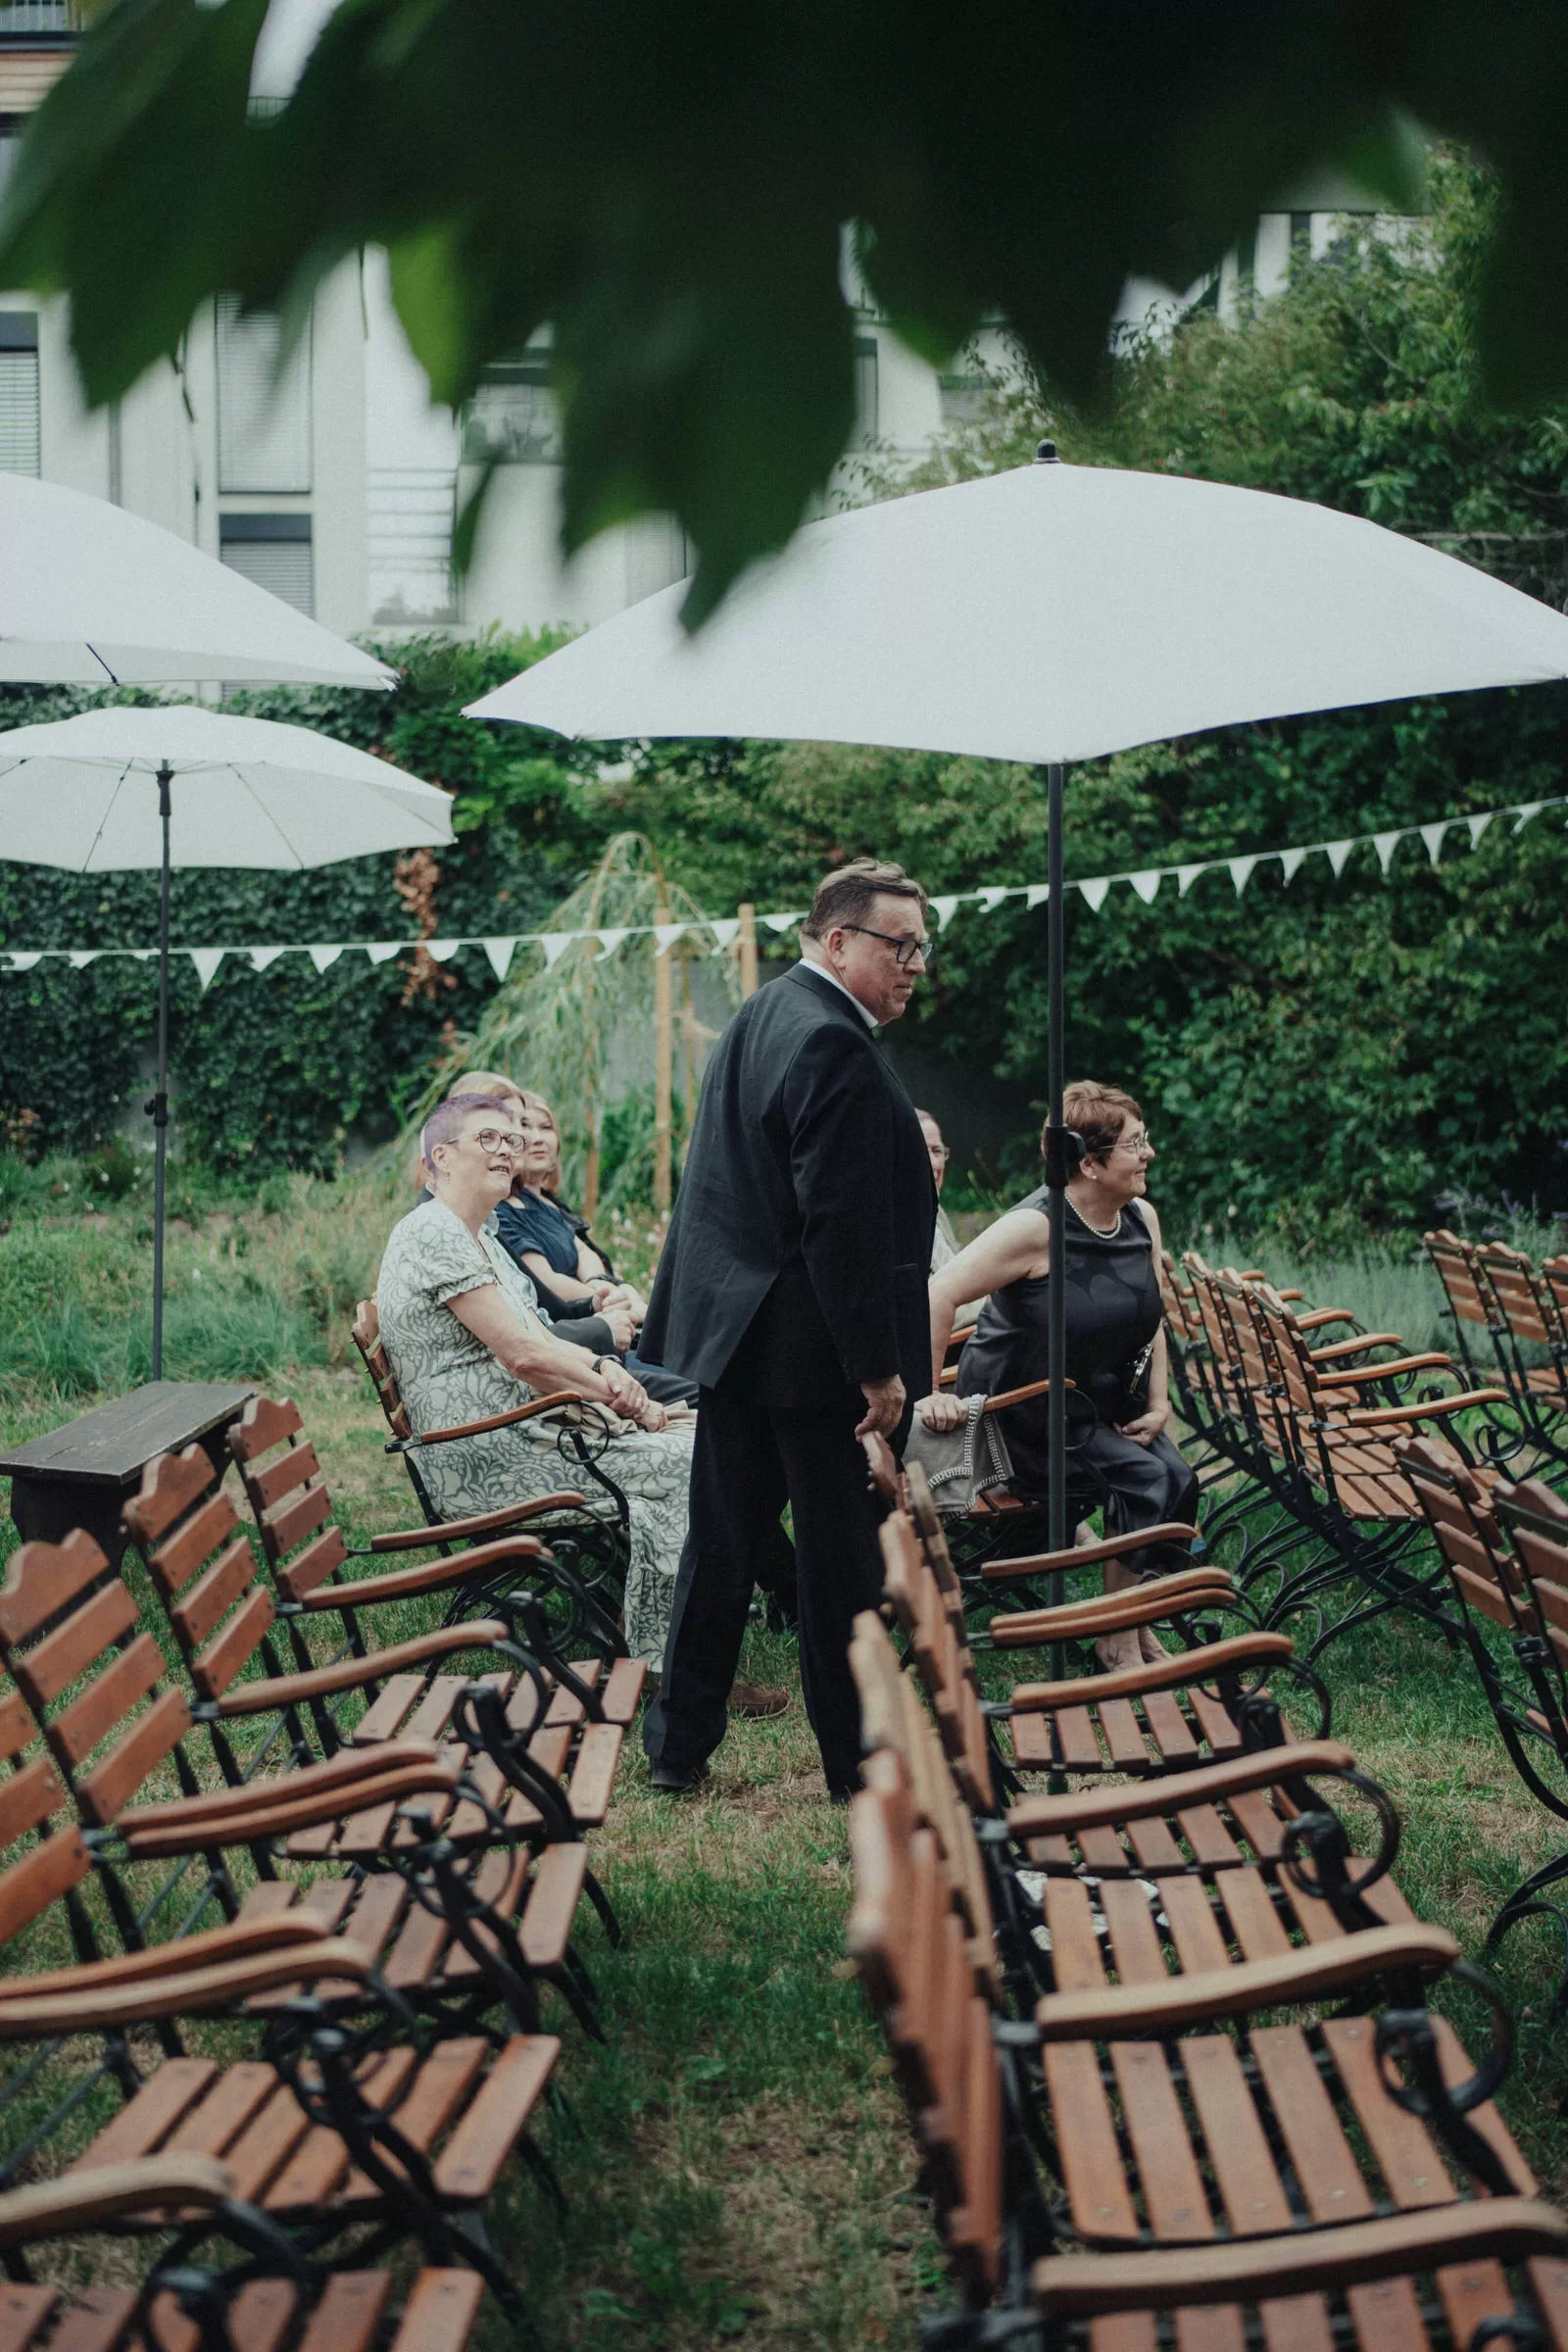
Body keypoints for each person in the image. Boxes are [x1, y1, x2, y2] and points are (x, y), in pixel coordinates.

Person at [640, 858, 938, 1799]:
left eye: (924, 948)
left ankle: (676, 1748)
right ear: (839, 940)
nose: (916, 966)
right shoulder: (831, 1042)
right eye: (901, 946)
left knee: (721, 1546)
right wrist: (879, 1371)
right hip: (810, 1357)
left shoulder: (765, 1011)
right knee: (840, 1567)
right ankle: (861, 1768)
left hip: (738, 1340)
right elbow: (838, 1226)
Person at [377, 1094, 694, 1666]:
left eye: (511, 1140)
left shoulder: (482, 1234)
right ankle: (668, 1665)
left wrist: (604, 1372)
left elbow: (541, 1339)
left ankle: (659, 1645)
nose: (506, 1150)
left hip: (525, 1432)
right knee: (690, 1462)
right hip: (486, 1459)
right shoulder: (434, 1233)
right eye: (488, 1139)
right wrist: (621, 1399)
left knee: (698, 1438)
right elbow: (523, 1356)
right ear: (442, 1158)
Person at [921, 1081, 1198, 1671]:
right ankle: (1117, 1639)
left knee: (1176, 1477)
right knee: (1146, 1479)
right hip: (1023, 1413)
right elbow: (938, 1293)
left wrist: (1158, 1400)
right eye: (1136, 1144)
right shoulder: (1035, 1228)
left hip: (1094, 1405)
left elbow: (1151, 1312)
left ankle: (1130, 1618)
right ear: (1091, 1163)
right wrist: (929, 1394)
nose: (1148, 1153)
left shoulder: (1140, 1218)